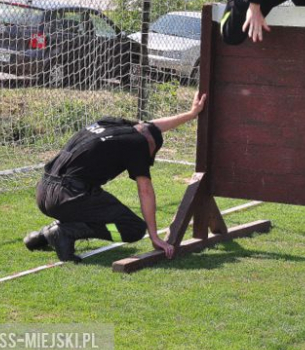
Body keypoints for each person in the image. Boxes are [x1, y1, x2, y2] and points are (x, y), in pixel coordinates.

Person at [23, 92, 207, 262]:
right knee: (132, 229)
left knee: (93, 207)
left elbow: (151, 127)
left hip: (43, 191)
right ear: (150, 146)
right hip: (70, 196)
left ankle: (44, 236)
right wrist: (154, 236)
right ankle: (65, 232)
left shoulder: (110, 123)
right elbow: (145, 190)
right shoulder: (139, 144)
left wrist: (191, 115)